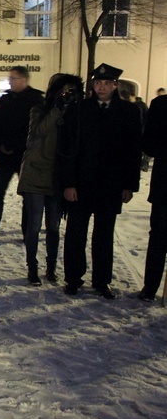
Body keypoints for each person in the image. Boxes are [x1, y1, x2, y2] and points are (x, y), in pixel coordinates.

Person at [59, 63, 142, 298]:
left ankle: (102, 280)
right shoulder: (78, 110)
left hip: (111, 185)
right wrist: (68, 183)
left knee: (104, 235)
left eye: (106, 83)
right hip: (81, 184)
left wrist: (129, 185)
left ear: (115, 85)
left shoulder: (128, 112)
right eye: (97, 83)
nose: (102, 87)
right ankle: (73, 278)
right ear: (92, 85)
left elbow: (133, 151)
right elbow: (67, 149)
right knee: (76, 233)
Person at [17, 74, 83, 286]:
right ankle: (32, 268)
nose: (67, 95)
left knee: (53, 227)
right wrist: (57, 108)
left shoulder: (76, 114)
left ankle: (51, 267)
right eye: (63, 90)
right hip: (36, 173)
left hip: (57, 177)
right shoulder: (39, 110)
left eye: (71, 91)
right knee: (34, 225)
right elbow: (39, 131)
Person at [0, 66, 43, 241]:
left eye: (14, 78)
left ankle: (27, 230)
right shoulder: (6, 99)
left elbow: (35, 129)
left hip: (25, 156)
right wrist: (1, 144)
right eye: (10, 78)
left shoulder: (35, 100)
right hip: (5, 156)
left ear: (24, 80)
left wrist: (17, 145)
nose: (10, 81)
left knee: (27, 196)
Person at [138, 93, 167, 302]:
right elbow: (148, 144)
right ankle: (150, 287)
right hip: (165, 185)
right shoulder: (160, 105)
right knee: (159, 237)